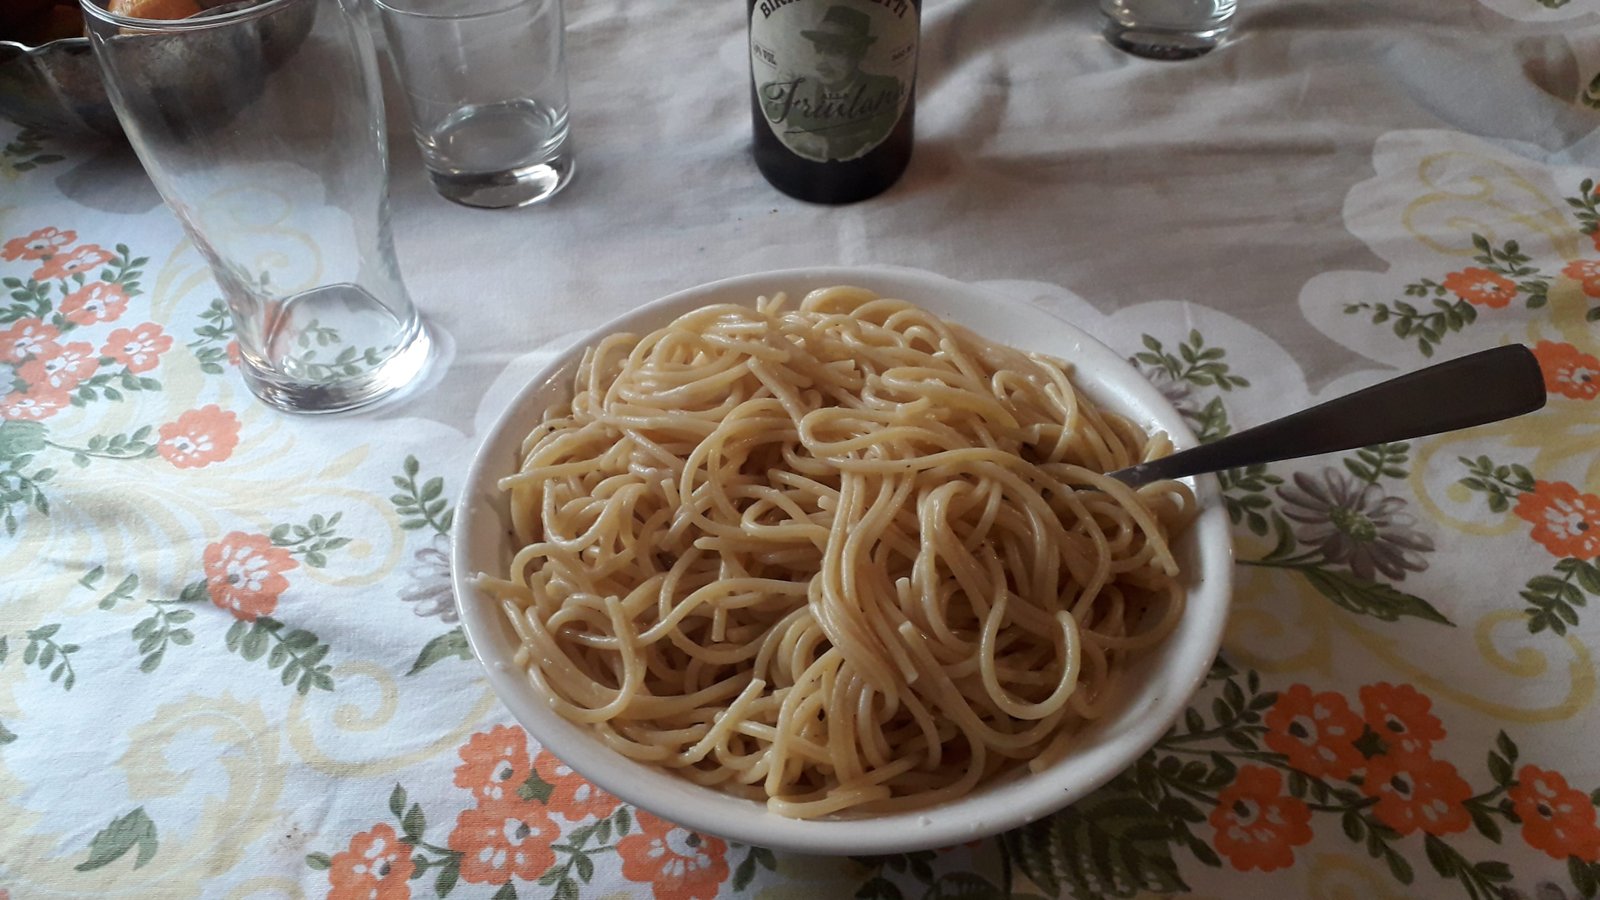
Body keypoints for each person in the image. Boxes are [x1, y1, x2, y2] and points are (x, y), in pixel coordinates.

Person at [759, 5, 905, 161]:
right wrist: (779, 90)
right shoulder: (800, 86)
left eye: (837, 51)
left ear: (860, 52)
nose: (822, 62)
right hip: (783, 161)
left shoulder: (882, 87)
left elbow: (877, 131)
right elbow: (772, 109)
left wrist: (826, 145)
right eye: (819, 49)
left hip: (876, 165)